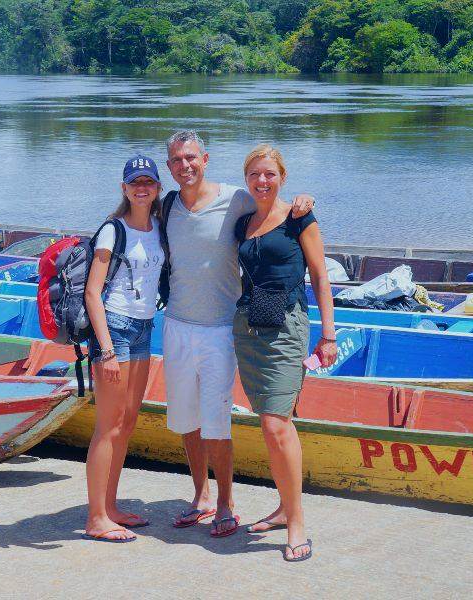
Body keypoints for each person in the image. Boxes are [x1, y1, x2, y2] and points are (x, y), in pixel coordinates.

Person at [161, 131, 315, 537]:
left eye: (191, 157)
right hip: (176, 325)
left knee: (217, 422)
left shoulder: (237, 199)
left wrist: (304, 202)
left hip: (222, 329)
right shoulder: (166, 206)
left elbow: (276, 205)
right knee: (186, 421)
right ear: (169, 166)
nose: (185, 166)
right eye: (177, 160)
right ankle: (202, 496)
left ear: (206, 159)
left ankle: (227, 502)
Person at [233, 144, 337, 562]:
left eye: (270, 174)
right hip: (248, 327)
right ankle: (282, 508)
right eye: (255, 174)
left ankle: (296, 523)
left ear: (283, 178)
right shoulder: (243, 222)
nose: (262, 181)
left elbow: (319, 275)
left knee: (278, 425)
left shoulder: (299, 218)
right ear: (246, 179)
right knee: (270, 424)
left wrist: (328, 335)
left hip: (287, 327)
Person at [83, 154, 165, 542]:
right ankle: (96, 517)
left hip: (144, 327)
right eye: (135, 183)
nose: (142, 188)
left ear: (157, 188)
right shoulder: (112, 231)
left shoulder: (158, 227)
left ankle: (111, 506)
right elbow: (92, 293)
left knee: (128, 422)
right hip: (114, 330)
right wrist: (107, 351)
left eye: (148, 182)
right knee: (109, 426)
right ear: (124, 188)